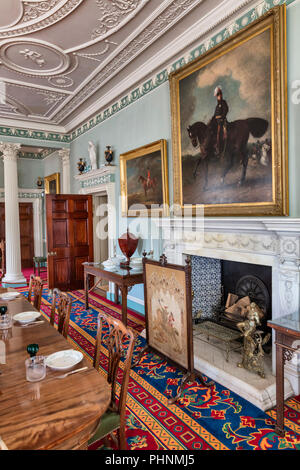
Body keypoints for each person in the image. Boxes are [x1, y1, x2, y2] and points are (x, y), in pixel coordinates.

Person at [211, 86, 229, 156]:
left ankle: (219, 149)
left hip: (222, 121)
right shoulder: (217, 105)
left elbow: (226, 110)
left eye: (220, 94)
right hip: (216, 121)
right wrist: (212, 120)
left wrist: (222, 117)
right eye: (218, 95)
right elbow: (215, 115)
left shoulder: (223, 102)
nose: (219, 96)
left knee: (219, 133)